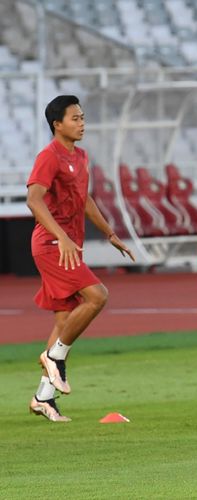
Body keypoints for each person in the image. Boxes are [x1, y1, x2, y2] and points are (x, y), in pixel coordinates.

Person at [27, 95, 134, 422]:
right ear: (57, 124)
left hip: (69, 245)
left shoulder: (81, 156)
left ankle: (43, 398)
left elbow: (84, 199)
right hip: (51, 245)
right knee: (97, 295)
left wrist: (109, 232)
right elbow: (33, 199)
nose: (82, 123)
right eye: (75, 118)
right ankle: (54, 357)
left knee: (64, 320)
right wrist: (61, 236)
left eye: (83, 117)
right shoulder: (49, 156)